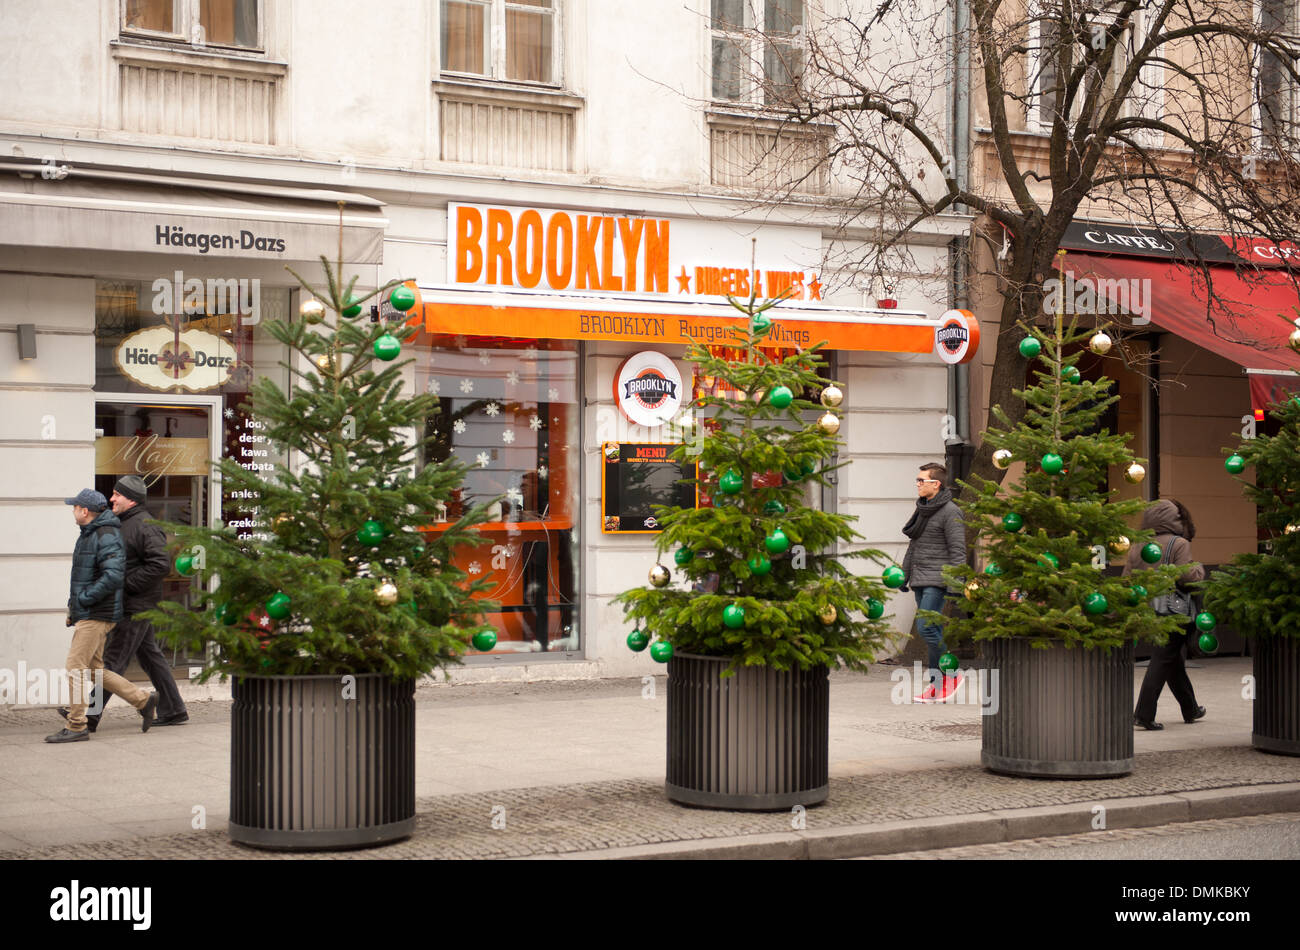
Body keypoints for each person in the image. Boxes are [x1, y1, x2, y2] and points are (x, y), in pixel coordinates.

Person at [73, 476, 188, 729]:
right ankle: (175, 709)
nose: (111, 498)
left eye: (117, 495)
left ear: (131, 499)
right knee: (150, 657)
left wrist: (125, 585)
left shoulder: (145, 525)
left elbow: (159, 565)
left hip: (138, 606)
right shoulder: (125, 522)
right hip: (132, 603)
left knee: (113, 660)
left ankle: (90, 716)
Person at [46, 489, 158, 743]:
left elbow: (113, 576)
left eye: (75, 507)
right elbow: (83, 577)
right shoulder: (90, 534)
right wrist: (73, 607)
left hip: (97, 613)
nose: (73, 510)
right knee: (95, 669)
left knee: (75, 667)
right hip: (90, 612)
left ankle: (76, 725)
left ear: (84, 511)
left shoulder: (105, 535)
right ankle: (142, 699)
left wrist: (84, 600)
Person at [1127, 499, 1207, 730]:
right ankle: (1143, 714)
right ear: (1174, 519)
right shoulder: (1178, 543)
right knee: (1163, 660)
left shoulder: (1138, 545)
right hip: (1172, 612)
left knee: (1172, 661)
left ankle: (1190, 707)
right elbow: (1187, 577)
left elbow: (1127, 578)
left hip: (1147, 610)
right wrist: (1199, 568)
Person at [901, 462, 966, 702]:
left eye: (921, 480)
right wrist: (904, 575)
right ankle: (937, 686)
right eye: (917, 480)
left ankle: (953, 673)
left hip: (938, 579)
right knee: (933, 631)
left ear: (935, 484)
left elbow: (958, 550)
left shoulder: (951, 512)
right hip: (920, 577)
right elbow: (913, 545)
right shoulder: (923, 509)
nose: (917, 484)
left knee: (926, 628)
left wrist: (955, 584)